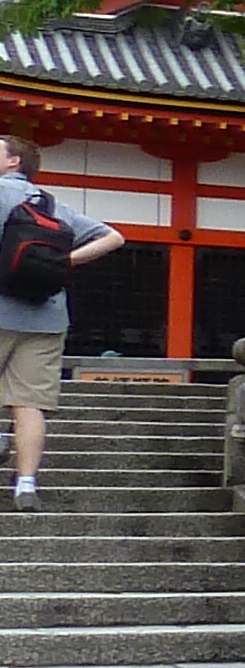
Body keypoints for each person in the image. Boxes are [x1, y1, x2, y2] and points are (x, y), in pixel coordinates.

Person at [0, 134, 125, 511]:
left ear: (13, 162)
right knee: (30, 403)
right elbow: (114, 237)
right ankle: (25, 485)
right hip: (46, 315)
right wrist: (66, 263)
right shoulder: (51, 204)